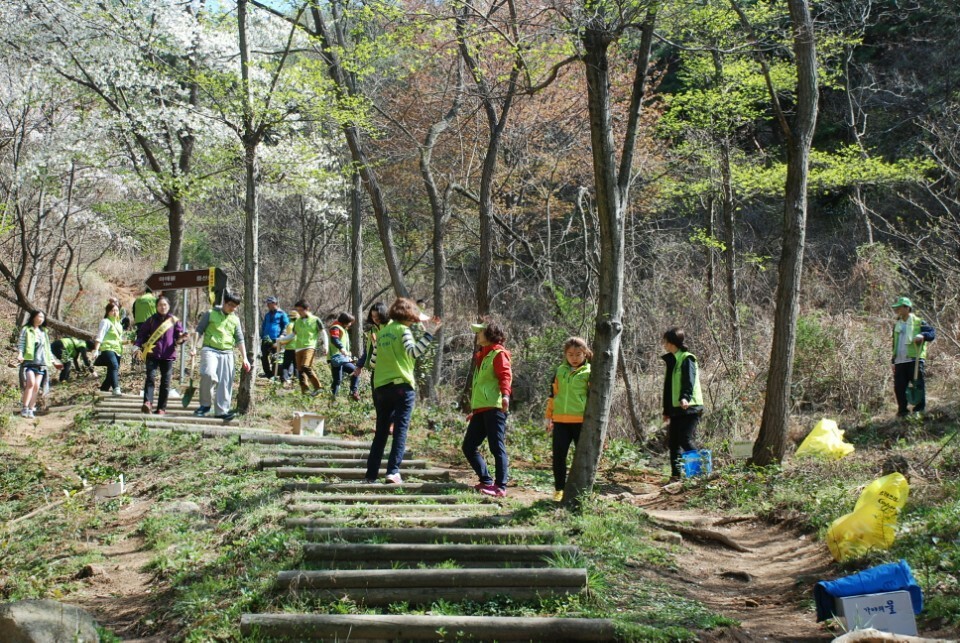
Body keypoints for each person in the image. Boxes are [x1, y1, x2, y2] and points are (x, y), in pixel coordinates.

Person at [364, 298, 441, 484]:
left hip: (381, 387)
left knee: (381, 432)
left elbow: (373, 362)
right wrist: (429, 333)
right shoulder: (403, 330)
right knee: (400, 430)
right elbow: (413, 352)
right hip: (401, 386)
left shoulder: (382, 333)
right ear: (408, 315)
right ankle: (393, 472)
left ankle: (370, 475)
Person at [462, 319, 512, 498]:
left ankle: (500, 486)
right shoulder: (483, 356)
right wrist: (474, 411)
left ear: (489, 334)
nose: (477, 335)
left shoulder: (498, 354)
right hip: (481, 409)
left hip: (494, 408)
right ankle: (486, 480)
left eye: (480, 332)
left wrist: (505, 396)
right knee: (468, 446)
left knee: (496, 447)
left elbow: (505, 376)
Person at [545, 337, 592, 502]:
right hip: (560, 422)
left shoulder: (590, 372)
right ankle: (559, 490)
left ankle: (582, 491)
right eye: (570, 354)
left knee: (583, 458)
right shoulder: (560, 371)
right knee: (559, 456)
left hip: (581, 422)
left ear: (585, 353)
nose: (574, 358)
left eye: (578, 354)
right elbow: (553, 395)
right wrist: (548, 417)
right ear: (565, 354)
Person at [191, 293, 250, 420]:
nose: (232, 308)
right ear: (224, 302)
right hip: (210, 349)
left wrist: (245, 357)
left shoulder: (235, 319)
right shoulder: (210, 313)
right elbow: (199, 330)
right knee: (208, 374)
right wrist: (193, 347)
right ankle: (205, 405)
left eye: (235, 307)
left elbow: (240, 339)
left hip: (227, 352)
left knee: (225, 382)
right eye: (230, 305)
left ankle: (221, 411)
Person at [661, 327, 704, 482]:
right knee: (673, 442)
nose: (664, 345)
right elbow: (668, 388)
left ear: (673, 343)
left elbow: (689, 381)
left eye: (665, 342)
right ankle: (675, 476)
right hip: (676, 409)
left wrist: (685, 397)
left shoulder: (687, 358)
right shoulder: (672, 361)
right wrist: (666, 410)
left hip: (690, 408)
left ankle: (700, 473)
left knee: (685, 440)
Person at [134, 295, 187, 415]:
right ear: (156, 306)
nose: (162, 307)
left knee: (166, 382)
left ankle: (161, 408)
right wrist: (137, 345)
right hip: (153, 353)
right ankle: (147, 403)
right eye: (160, 305)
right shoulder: (151, 320)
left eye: (165, 305)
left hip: (168, 355)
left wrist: (182, 338)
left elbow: (180, 336)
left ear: (168, 306)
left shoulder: (174, 320)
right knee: (150, 378)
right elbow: (141, 334)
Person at [890, 296, 935, 417]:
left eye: (899, 307)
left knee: (918, 384)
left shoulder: (918, 322)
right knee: (899, 387)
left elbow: (932, 333)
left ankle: (919, 410)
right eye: (897, 308)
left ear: (907, 308)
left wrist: (922, 335)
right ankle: (902, 411)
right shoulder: (897, 325)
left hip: (914, 359)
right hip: (900, 361)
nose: (897, 310)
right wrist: (893, 361)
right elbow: (895, 343)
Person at [16, 310, 62, 418]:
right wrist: (20, 354)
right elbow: (21, 344)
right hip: (29, 362)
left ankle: (31, 409)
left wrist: (54, 361)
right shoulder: (26, 329)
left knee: (36, 386)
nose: (41, 319)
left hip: (41, 363)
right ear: (33, 317)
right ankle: (24, 408)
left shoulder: (44, 332)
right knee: (30, 383)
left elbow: (48, 349)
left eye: (43, 317)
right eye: (39, 316)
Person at [277, 300, 328, 396]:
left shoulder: (315, 320)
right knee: (300, 371)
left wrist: (326, 345)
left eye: (300, 310)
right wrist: (281, 339)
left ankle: (318, 387)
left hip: (310, 347)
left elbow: (323, 332)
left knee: (306, 366)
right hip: (298, 348)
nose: (299, 312)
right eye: (298, 310)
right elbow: (292, 335)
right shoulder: (297, 321)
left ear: (307, 309)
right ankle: (305, 392)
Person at [354, 302, 387, 400]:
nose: (375, 319)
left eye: (378, 316)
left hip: (388, 369)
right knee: (376, 398)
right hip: (376, 369)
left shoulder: (389, 328)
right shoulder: (372, 330)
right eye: (373, 316)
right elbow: (368, 350)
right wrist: (359, 366)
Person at [92, 302, 126, 396]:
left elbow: (118, 339)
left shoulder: (119, 324)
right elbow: (100, 336)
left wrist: (128, 342)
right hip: (107, 348)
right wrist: (96, 350)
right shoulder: (105, 322)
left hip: (117, 350)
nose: (115, 312)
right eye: (112, 310)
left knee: (112, 371)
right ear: (108, 312)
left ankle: (103, 390)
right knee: (114, 366)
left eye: (116, 310)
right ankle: (116, 389)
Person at [328, 312, 360, 399]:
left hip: (343, 358)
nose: (350, 324)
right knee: (337, 380)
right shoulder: (335, 327)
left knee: (355, 371)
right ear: (345, 321)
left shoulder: (343, 329)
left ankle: (353, 392)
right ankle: (333, 398)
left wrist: (348, 356)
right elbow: (334, 339)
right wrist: (341, 348)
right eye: (350, 322)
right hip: (336, 358)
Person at [260, 296, 289, 378]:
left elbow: (286, 325)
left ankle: (275, 374)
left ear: (275, 303)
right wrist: (262, 335)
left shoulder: (282, 314)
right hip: (266, 339)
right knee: (263, 356)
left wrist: (282, 335)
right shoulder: (267, 315)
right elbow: (264, 325)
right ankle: (268, 373)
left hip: (276, 339)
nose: (268, 305)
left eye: (269, 303)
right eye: (267, 304)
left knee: (276, 357)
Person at [276, 309, 299, 383]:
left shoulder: (290, 325)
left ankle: (284, 379)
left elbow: (288, 338)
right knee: (297, 365)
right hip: (298, 348)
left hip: (289, 348)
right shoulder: (301, 326)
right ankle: (296, 381)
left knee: (286, 365)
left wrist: (281, 342)